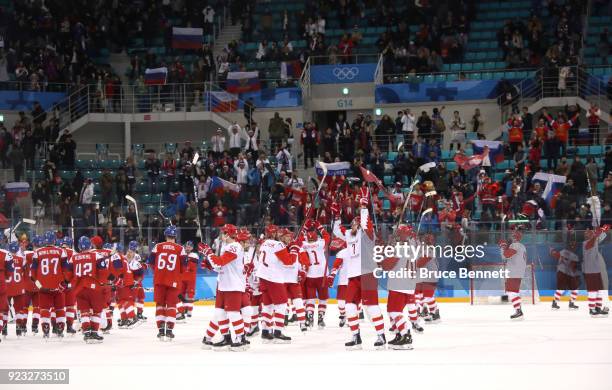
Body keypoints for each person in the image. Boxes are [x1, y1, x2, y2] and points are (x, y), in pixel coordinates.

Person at [332, 187, 386, 350]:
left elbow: (365, 223)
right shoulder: (350, 234)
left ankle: (381, 336)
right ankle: (356, 337)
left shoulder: (368, 234)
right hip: (353, 276)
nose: (354, 224)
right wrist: (335, 216)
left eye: (357, 222)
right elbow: (337, 230)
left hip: (367, 274)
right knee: (349, 306)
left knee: (371, 307)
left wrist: (363, 208)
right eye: (353, 222)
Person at [199, 225, 249, 351]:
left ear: (227, 234)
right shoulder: (226, 247)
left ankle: (240, 339)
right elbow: (220, 266)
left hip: (233, 285)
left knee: (233, 313)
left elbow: (220, 262)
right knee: (220, 313)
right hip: (224, 285)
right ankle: (226, 338)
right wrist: (210, 265)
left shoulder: (235, 246)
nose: (221, 235)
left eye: (223, 232)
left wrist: (209, 253)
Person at [255, 224, 298, 343]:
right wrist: (294, 250)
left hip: (263, 277)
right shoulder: (277, 245)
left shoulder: (264, 243)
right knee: (282, 305)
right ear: (274, 234)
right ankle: (278, 332)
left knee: (268, 305)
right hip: (273, 278)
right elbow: (289, 262)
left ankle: (265, 331)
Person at [147, 226, 187, 340]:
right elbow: (184, 267)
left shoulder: (157, 247)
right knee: (171, 306)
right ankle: (169, 331)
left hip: (159, 280)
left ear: (165, 235)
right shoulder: (180, 249)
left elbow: (151, 263)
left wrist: (159, 272)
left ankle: (160, 331)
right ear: (175, 236)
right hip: (173, 281)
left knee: (160, 305)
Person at [30, 231, 69, 339]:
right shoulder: (61, 251)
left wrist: (39, 286)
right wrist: (64, 283)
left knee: (44, 310)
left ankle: (46, 328)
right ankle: (60, 327)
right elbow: (66, 271)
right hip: (58, 286)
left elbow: (32, 274)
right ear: (54, 240)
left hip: (43, 287)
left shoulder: (37, 252)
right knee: (60, 309)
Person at [70, 236, 108, 343]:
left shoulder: (73, 257)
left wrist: (72, 283)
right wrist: (102, 283)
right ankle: (94, 333)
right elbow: (103, 272)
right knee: (96, 310)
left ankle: (86, 332)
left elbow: (68, 273)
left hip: (79, 289)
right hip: (93, 287)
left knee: (84, 311)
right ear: (90, 245)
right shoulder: (97, 255)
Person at [302, 219, 330, 328]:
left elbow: (297, 239)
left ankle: (309, 317)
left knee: (311, 299)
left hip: (310, 275)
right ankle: (320, 319)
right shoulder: (320, 243)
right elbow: (327, 237)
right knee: (323, 298)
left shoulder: (304, 245)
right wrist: (320, 227)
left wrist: (304, 228)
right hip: (322, 275)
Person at [499, 228, 527, 320]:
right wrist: (506, 247)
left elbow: (506, 256)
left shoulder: (515, 245)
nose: (511, 237)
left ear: (515, 237)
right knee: (514, 292)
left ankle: (518, 311)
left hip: (514, 272)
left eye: (512, 235)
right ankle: (519, 310)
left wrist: (503, 247)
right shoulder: (522, 246)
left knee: (511, 292)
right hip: (518, 271)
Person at [582, 225, 610, 317]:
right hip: (590, 270)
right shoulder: (586, 243)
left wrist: (604, 230)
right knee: (592, 290)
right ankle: (592, 309)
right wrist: (597, 234)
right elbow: (593, 242)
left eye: (590, 231)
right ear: (587, 236)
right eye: (588, 232)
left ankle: (598, 308)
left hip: (597, 269)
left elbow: (600, 237)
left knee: (599, 290)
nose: (590, 232)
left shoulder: (595, 240)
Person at [549, 241, 580, 310]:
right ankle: (555, 303)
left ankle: (570, 303)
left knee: (574, 290)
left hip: (567, 274)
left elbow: (572, 266)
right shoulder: (565, 252)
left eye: (574, 245)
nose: (572, 246)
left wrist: (552, 252)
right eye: (572, 245)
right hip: (562, 273)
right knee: (561, 289)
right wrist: (552, 252)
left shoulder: (573, 255)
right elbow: (556, 255)